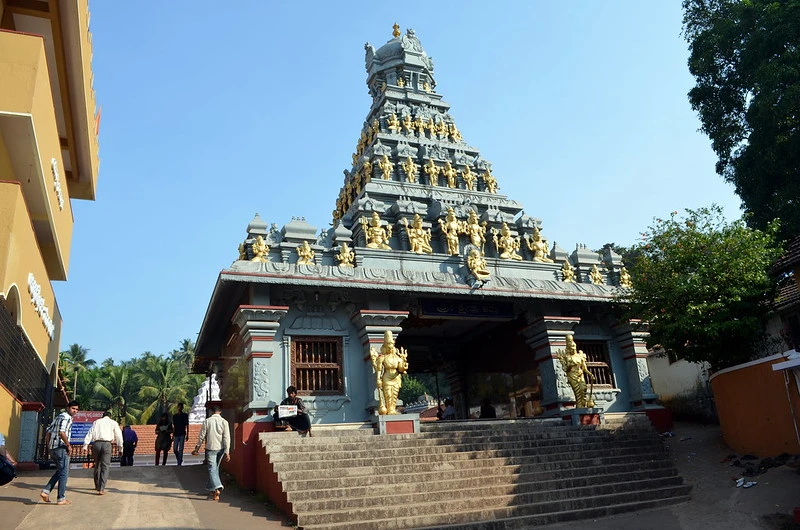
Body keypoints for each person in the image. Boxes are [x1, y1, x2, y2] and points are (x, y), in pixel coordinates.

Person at [41, 400, 79, 505]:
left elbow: (48, 431)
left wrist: (49, 447)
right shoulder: (67, 418)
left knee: (60, 471)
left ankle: (46, 491)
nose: (75, 411)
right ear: (68, 408)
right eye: (73, 409)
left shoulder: (58, 417)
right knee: (64, 473)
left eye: (76, 409)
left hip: (54, 448)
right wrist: (68, 445)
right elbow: (62, 432)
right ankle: (61, 498)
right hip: (61, 448)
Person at [191, 405, 231, 501]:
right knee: (215, 468)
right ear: (220, 411)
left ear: (212, 412)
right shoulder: (224, 422)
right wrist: (227, 451)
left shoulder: (207, 421)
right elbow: (227, 437)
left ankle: (217, 488)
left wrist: (197, 448)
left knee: (212, 469)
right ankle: (211, 488)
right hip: (221, 448)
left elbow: (202, 436)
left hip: (211, 447)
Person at [82, 411, 123, 495]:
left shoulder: (97, 422)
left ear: (102, 416)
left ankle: (97, 485)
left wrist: (85, 445)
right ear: (110, 416)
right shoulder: (113, 423)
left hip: (96, 444)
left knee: (97, 464)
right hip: (107, 444)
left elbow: (90, 433)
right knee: (105, 466)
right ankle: (101, 489)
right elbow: (119, 436)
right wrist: (120, 448)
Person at [370, 330, 409, 415]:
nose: (390, 346)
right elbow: (379, 369)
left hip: (396, 377)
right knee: (388, 394)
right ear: (385, 346)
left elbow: (401, 368)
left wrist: (404, 364)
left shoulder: (397, 357)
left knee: (394, 395)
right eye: (388, 344)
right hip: (387, 377)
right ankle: (389, 409)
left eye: (391, 344)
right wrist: (378, 379)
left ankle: (392, 409)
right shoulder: (383, 357)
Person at [558, 335, 595, 408]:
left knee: (583, 389)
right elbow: (566, 369)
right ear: (568, 348)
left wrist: (590, 374)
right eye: (571, 348)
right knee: (577, 393)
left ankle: (583, 406)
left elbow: (584, 368)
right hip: (572, 375)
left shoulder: (580, 356)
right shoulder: (567, 357)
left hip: (580, 375)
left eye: (574, 347)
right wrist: (569, 364)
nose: (573, 349)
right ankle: (579, 407)